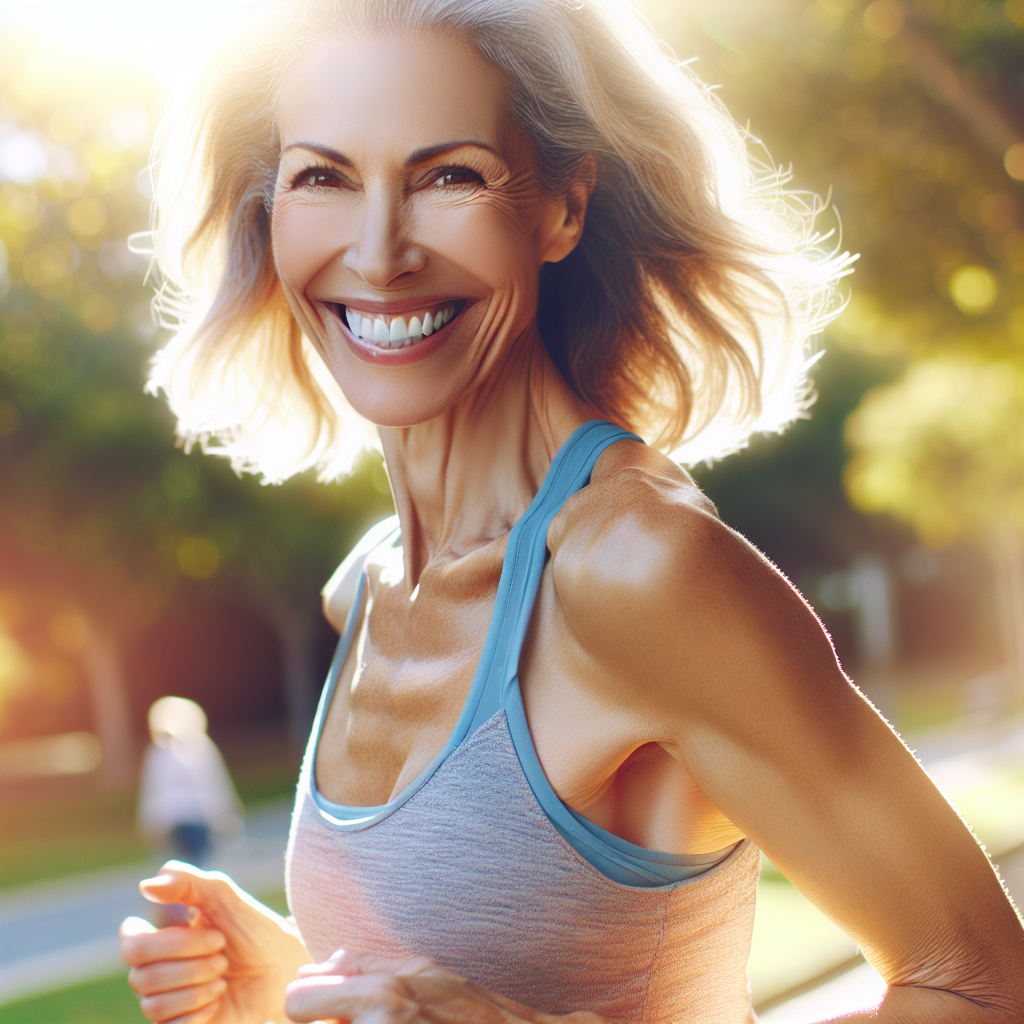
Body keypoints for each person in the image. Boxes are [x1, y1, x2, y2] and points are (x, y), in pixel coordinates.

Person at [119, 1, 1024, 1022]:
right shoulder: (367, 586)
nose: (377, 252)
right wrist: (292, 985)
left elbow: (988, 989)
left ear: (562, 205)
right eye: (323, 176)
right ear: (269, 213)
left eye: (447, 175)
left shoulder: (641, 569)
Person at [137, 696, 244, 867]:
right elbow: (154, 789)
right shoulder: (161, 752)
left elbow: (212, 783)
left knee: (193, 867)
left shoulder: (194, 747)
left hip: (193, 818)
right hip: (178, 820)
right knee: (187, 868)